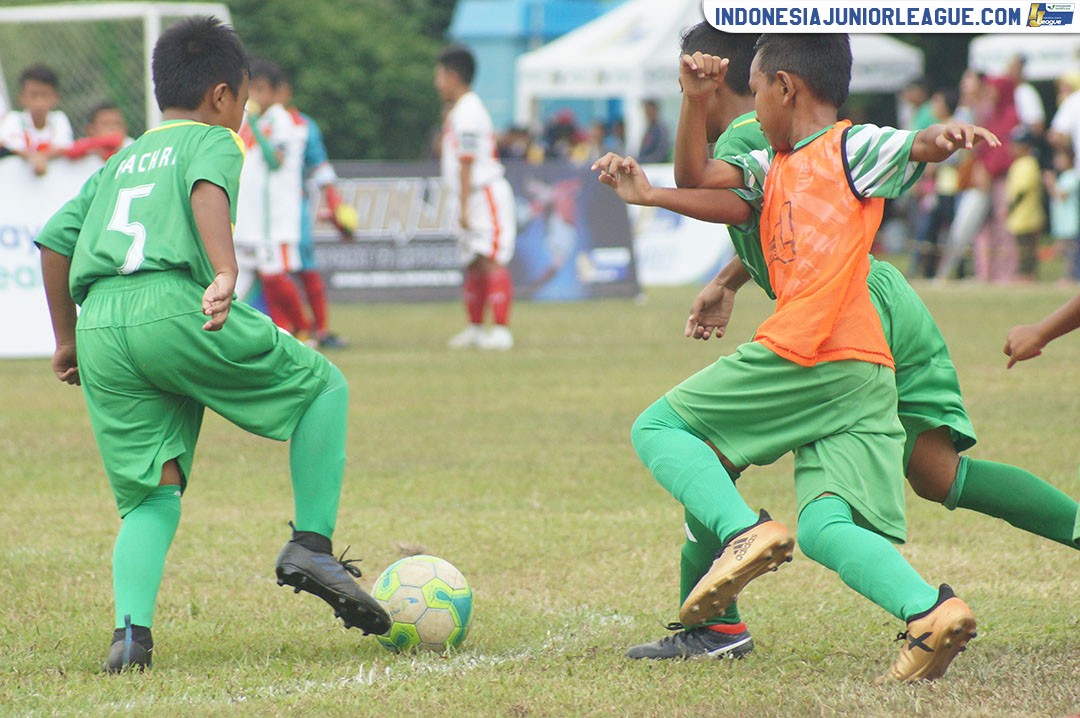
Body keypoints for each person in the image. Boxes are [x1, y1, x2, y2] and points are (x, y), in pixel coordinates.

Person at [597, 25, 1079, 668]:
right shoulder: (774, 155)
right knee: (871, 505)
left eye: (754, 92)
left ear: (775, 86)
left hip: (832, 326)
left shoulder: (803, 140)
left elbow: (900, 149)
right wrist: (711, 262)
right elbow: (758, 205)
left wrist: (942, 136)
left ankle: (728, 584)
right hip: (863, 342)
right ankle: (927, 611)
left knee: (675, 437)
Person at [34, 17, 390, 672]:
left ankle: (131, 638)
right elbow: (206, 192)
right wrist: (224, 270)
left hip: (101, 323)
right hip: (175, 305)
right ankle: (311, 546)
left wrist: (65, 339)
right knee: (323, 387)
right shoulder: (214, 138)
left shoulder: (120, 159)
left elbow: (55, 241)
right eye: (245, 100)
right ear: (222, 94)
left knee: (152, 494)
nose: (244, 112)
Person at [436, 43, 517, 351]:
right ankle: (475, 328)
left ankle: (501, 330)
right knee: (472, 261)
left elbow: (467, 160)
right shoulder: (458, 111)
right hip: (467, 195)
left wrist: (465, 206)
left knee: (491, 258)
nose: (437, 83)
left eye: (440, 75)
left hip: (482, 193)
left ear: (453, 76)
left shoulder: (469, 111)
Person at [234, 57, 312, 340]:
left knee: (274, 276)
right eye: (250, 89)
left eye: (261, 89)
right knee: (248, 279)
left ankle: (302, 327)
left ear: (275, 92)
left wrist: (255, 125)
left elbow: (275, 160)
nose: (255, 96)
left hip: (275, 218)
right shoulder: (248, 120)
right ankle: (282, 331)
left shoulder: (281, 120)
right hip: (249, 218)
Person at [279, 75, 355, 349]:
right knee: (272, 272)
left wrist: (335, 204)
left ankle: (319, 330)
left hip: (293, 207)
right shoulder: (249, 124)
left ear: (284, 91)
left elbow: (321, 168)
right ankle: (290, 328)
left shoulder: (303, 127)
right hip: (258, 210)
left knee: (304, 265)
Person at [0, 63, 74, 175]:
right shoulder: (13, 119)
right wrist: (34, 158)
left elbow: (64, 146)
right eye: (33, 95)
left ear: (55, 98)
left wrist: (41, 158)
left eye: (45, 95)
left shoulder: (59, 119)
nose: (39, 102)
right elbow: (9, 146)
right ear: (22, 98)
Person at [1005, 127, 1046, 282]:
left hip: (1027, 216)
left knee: (1027, 250)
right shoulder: (1019, 163)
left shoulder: (1028, 163)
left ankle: (1028, 275)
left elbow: (1022, 191)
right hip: (1019, 218)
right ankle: (1023, 274)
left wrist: (1010, 207)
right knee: (1021, 249)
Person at [63, 101, 133, 161]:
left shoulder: (130, 146)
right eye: (106, 124)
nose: (113, 128)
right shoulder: (83, 151)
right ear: (91, 129)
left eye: (118, 124)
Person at [637, 98, 671, 163]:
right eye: (646, 111)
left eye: (650, 111)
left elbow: (661, 153)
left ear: (655, 111)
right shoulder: (649, 129)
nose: (648, 114)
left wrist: (645, 161)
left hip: (656, 166)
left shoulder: (661, 130)